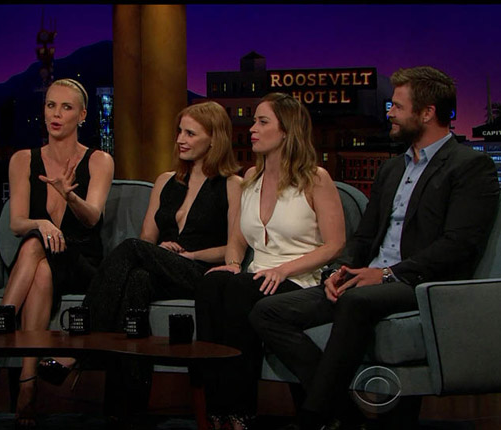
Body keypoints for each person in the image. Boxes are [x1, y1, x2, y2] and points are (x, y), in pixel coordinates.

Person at [250, 66, 500, 430]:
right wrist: (338, 271)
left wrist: (386, 274)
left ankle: (313, 417)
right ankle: (346, 416)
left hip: (421, 282)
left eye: (397, 106)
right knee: (267, 312)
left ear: (427, 112)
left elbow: (458, 245)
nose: (390, 113)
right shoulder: (392, 169)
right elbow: (364, 238)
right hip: (370, 278)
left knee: (356, 301)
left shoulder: (470, 166)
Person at [38, 101, 242, 419]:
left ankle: (79, 342)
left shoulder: (232, 185)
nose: (180, 139)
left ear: (214, 139)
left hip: (202, 271)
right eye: (179, 132)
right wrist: (161, 251)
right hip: (163, 267)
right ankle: (127, 411)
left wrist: (189, 254)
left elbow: (233, 249)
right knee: (137, 281)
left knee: (131, 248)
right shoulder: (166, 181)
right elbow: (148, 240)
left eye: (190, 133)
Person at [0, 78, 115, 428]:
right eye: (50, 105)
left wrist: (69, 195)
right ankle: (28, 385)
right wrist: (42, 224)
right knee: (37, 256)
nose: (56, 114)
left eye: (66, 107)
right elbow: (16, 223)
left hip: (81, 261)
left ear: (82, 115)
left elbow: (92, 218)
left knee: (33, 246)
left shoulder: (99, 160)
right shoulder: (23, 160)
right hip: (42, 257)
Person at [194, 93, 346, 430]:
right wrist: (234, 263)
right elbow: (237, 238)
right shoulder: (251, 178)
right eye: (254, 121)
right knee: (211, 284)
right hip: (254, 275)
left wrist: (283, 269)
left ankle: (241, 414)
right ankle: (215, 409)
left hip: (300, 278)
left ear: (287, 131)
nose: (252, 129)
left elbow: (335, 244)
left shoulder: (315, 178)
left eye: (262, 122)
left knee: (239, 291)